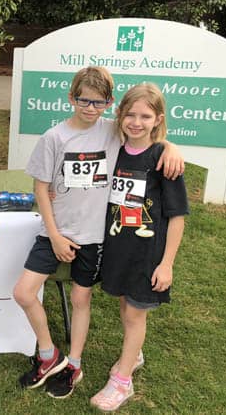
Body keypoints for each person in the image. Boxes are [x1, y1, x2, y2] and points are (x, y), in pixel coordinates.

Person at [12, 67, 184, 399]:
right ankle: (49, 355)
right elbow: (41, 187)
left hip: (94, 236)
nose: (91, 108)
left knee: (81, 298)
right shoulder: (55, 137)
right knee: (23, 293)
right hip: (56, 232)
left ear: (109, 103)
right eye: (83, 100)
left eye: (99, 102)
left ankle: (74, 363)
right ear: (71, 98)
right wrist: (56, 235)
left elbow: (147, 135)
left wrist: (170, 146)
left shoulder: (113, 131)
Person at [90, 83, 188, 412]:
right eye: (130, 114)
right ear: (119, 115)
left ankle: (122, 381)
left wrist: (167, 264)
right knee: (125, 305)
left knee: (135, 314)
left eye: (145, 116)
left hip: (148, 254)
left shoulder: (164, 158)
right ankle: (135, 354)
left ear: (158, 119)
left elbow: (177, 217)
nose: (136, 121)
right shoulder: (114, 149)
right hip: (119, 248)